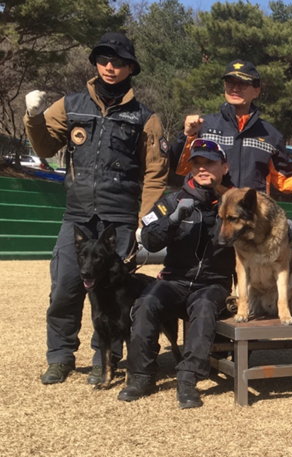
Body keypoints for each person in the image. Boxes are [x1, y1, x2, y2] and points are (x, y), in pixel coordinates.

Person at [24, 32, 169, 386]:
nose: (110, 67)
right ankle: (59, 356)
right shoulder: (70, 104)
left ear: (130, 68)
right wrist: (33, 117)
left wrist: (143, 223)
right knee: (65, 288)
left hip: (119, 220)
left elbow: (156, 173)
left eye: (118, 62)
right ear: (96, 63)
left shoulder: (145, 118)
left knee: (115, 296)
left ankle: (104, 358)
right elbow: (43, 147)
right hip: (77, 216)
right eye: (104, 59)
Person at [118, 139, 235, 408]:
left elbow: (260, 221)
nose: (202, 169)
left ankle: (187, 380)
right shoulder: (170, 201)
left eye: (210, 163)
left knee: (205, 308)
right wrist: (172, 221)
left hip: (212, 283)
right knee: (146, 303)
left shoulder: (233, 201)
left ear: (224, 166)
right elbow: (149, 238)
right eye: (197, 164)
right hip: (175, 279)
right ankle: (141, 376)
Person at [171, 60, 292, 196]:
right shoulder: (204, 126)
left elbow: (286, 180)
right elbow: (179, 168)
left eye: (242, 84)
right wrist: (187, 135)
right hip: (210, 210)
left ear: (256, 91)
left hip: (251, 212)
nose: (235, 89)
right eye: (230, 82)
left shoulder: (271, 135)